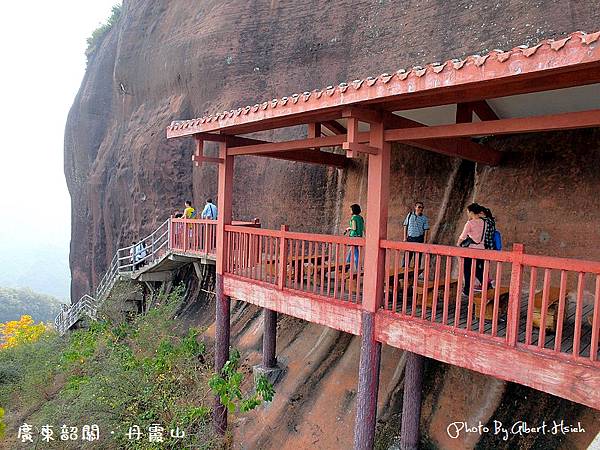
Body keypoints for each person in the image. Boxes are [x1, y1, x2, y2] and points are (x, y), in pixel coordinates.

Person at [457, 203, 486, 296]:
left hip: (471, 250)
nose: (467, 213)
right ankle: (486, 285)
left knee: (467, 269)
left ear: (472, 212)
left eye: (468, 212)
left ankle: (467, 289)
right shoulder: (484, 222)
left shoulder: (469, 223)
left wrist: (458, 244)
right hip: (481, 249)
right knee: (478, 269)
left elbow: (463, 236)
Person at [402, 201, 430, 268]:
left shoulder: (424, 218)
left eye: (422, 207)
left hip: (419, 239)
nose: (421, 209)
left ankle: (415, 273)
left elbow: (426, 229)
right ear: (415, 207)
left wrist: (425, 240)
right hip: (410, 238)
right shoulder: (410, 215)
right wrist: (405, 238)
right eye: (419, 207)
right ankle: (404, 272)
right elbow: (405, 226)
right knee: (407, 257)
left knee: (417, 258)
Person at [344, 204, 364, 269]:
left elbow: (354, 228)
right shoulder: (361, 218)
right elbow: (363, 228)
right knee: (352, 250)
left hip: (354, 236)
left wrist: (348, 229)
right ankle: (347, 264)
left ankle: (357, 266)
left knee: (355, 252)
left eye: (351, 210)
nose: (350, 211)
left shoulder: (353, 218)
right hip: (359, 235)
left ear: (353, 210)